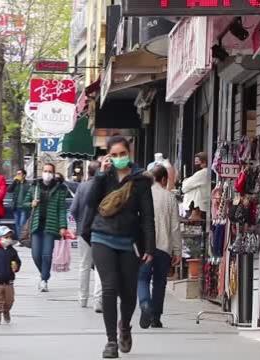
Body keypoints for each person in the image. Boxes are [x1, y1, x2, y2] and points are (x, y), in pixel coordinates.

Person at [82, 136, 155, 359]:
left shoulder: (141, 180)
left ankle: (125, 327)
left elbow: (147, 217)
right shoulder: (104, 177)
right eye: (113, 155)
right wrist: (100, 175)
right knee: (110, 288)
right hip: (102, 237)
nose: (118, 158)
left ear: (129, 153)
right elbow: (90, 203)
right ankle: (111, 341)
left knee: (129, 293)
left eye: (122, 154)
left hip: (128, 241)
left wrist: (150, 248)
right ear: (108, 156)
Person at [138, 165, 182, 330]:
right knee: (159, 282)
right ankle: (156, 318)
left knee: (142, 279)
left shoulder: (141, 195)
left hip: (144, 247)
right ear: (164, 179)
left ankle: (145, 304)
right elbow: (175, 227)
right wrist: (177, 250)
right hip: (164, 247)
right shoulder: (170, 198)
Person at [23, 163, 68, 292]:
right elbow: (24, 203)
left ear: (53, 174)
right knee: (36, 254)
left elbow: (62, 209)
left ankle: (44, 280)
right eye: (45, 171)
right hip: (37, 225)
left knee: (47, 254)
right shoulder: (34, 187)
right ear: (42, 172)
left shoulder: (59, 189)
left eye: (50, 171)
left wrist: (63, 226)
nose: (47, 173)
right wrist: (31, 203)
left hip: (51, 225)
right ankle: (44, 273)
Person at [70, 160, 103, 312]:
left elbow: (74, 209)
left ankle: (83, 298)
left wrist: (79, 224)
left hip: (84, 231)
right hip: (101, 231)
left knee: (84, 265)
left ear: (88, 172)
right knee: (100, 266)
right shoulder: (105, 187)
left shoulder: (82, 187)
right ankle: (98, 300)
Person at [0, 225, 21, 326]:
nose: (9, 239)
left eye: (10, 237)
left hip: (9, 281)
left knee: (10, 300)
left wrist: (16, 266)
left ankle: (6, 310)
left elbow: (17, 261)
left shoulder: (12, 251)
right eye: (6, 237)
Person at [182, 152, 210, 220]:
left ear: (204, 162)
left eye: (197, 162)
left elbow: (185, 187)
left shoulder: (203, 173)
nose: (195, 164)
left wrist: (185, 181)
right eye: (195, 162)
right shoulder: (201, 173)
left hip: (197, 208)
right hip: (195, 207)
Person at [7, 169, 30, 239]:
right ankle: (20, 239)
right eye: (17, 174)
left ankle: (21, 239)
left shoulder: (28, 184)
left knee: (22, 224)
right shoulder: (16, 183)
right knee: (17, 224)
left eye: (19, 174)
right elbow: (9, 190)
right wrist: (14, 181)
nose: (18, 175)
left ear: (24, 175)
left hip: (24, 207)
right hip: (16, 207)